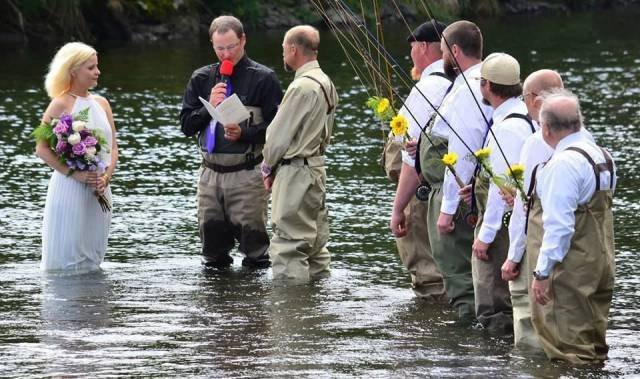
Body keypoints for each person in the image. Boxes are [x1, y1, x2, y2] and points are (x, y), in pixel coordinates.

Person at [179, 15, 283, 269]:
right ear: (212, 45)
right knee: (212, 250)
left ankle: (253, 304)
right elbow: (186, 126)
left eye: (231, 47)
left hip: (247, 173)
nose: (226, 54)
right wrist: (209, 107)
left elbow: (279, 129)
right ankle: (219, 304)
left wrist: (245, 133)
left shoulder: (264, 78)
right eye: (220, 48)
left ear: (243, 40)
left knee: (255, 249)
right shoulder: (201, 78)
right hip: (209, 174)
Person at [528, 89, 616, 363]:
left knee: (567, 351)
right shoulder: (603, 155)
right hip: (600, 262)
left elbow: (559, 227)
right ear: (579, 122)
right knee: (594, 345)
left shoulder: (563, 164)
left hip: (570, 269)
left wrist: (542, 273)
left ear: (546, 129)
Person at [418, 20, 492, 321]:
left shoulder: (467, 91)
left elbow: (461, 153)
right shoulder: (482, 83)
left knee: (460, 278)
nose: (442, 58)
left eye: (445, 51)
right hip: (475, 193)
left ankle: (466, 353)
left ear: (455, 50)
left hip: (461, 197)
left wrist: (447, 210)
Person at [261, 25, 338, 282]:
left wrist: (267, 167)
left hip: (295, 172)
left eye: (284, 48)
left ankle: (290, 315)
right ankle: (316, 308)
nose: (282, 53)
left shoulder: (300, 87)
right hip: (316, 168)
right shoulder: (325, 82)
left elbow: (277, 137)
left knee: (288, 246)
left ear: (293, 49)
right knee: (315, 245)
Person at [36, 42, 118, 273]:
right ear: (73, 71)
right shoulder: (60, 103)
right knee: (66, 254)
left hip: (99, 187)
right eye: (91, 68)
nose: (97, 72)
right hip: (69, 186)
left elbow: (113, 148)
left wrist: (106, 178)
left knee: (93, 255)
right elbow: (42, 148)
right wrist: (76, 173)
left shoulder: (102, 103)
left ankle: (91, 306)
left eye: (97, 66)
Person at [466, 52, 533, 333]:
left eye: (481, 81)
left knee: (493, 304)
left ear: (488, 86)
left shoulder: (506, 128)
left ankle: (494, 364)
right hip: (518, 220)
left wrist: (485, 236)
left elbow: (500, 188)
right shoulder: (526, 117)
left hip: (502, 228)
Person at [501, 69, 563, 348]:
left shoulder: (537, 141)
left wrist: (513, 256)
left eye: (525, 97)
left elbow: (525, 208)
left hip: (539, 244)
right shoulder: (581, 136)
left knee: (528, 317)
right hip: (570, 246)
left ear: (535, 99)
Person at [388, 20, 449, 300]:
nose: (410, 54)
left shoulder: (428, 88)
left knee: (427, 274)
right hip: (453, 193)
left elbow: (409, 155)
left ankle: (430, 331)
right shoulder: (464, 84)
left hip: (422, 193)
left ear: (423, 47)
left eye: (412, 47)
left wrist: (398, 207)